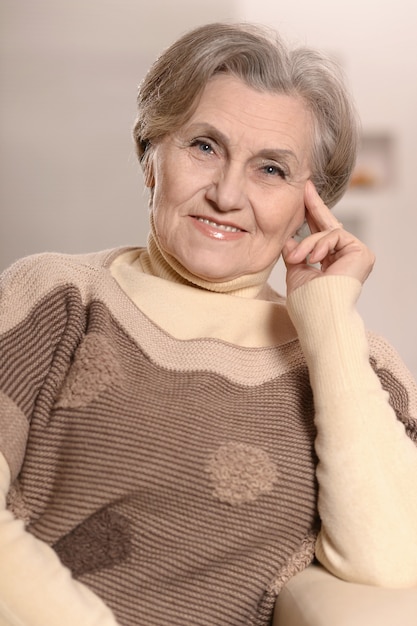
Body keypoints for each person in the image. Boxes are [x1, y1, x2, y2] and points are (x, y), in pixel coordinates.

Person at [0, 21, 416, 626]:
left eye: (271, 169)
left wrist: (326, 321)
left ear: (310, 204)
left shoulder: (359, 364)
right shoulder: (58, 296)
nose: (226, 193)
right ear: (151, 156)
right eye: (205, 147)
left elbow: (396, 560)